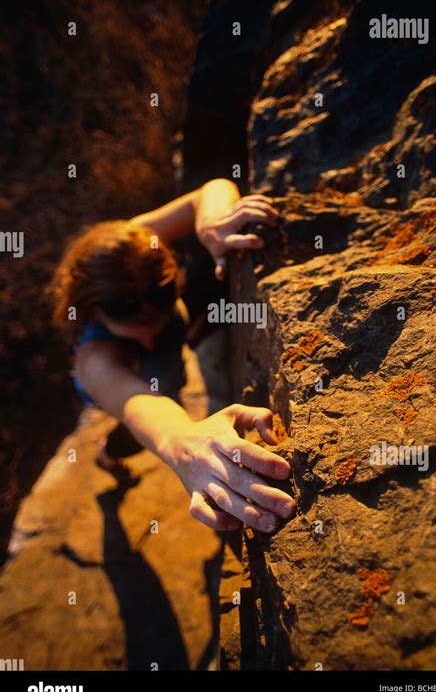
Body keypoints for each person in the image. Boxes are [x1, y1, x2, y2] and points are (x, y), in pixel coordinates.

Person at [50, 178, 296, 533]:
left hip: (166, 339)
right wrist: (182, 443)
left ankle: (183, 331)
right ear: (95, 312)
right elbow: (138, 404)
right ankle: (110, 453)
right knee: (149, 409)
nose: (151, 341)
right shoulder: (96, 360)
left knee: (174, 352)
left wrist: (212, 221)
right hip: (124, 384)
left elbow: (207, 191)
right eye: (137, 332)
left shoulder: (131, 245)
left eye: (158, 323)